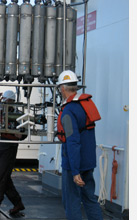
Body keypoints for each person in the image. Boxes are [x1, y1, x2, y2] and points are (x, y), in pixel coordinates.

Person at [56, 70, 103, 220]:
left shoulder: (69, 111)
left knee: (72, 202)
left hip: (74, 165)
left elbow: (73, 141)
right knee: (89, 199)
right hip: (88, 162)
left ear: (62, 88)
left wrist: (75, 171)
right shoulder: (84, 105)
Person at [0, 90, 26, 216]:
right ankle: (17, 203)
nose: (4, 103)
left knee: (0, 178)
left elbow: (24, 132)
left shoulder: (18, 115)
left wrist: (18, 135)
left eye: (6, 101)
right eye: (3, 101)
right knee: (4, 178)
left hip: (9, 148)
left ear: (12, 101)